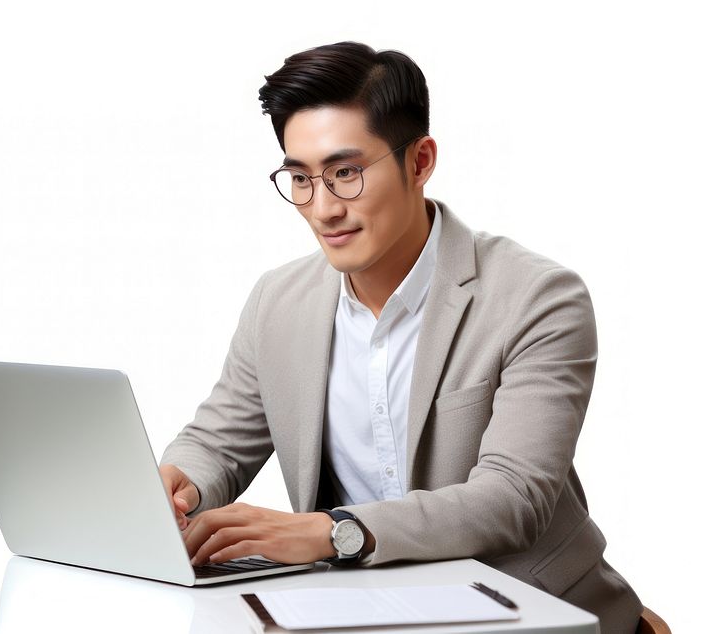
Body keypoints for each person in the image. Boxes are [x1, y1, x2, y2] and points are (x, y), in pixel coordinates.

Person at [159, 41, 642, 632]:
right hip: (364, 613)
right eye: (301, 179)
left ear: (420, 161)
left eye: (346, 173)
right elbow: (218, 442)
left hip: (534, 609)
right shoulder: (277, 301)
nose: (323, 208)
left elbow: (514, 497)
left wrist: (334, 532)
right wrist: (179, 483)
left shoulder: (538, 297)